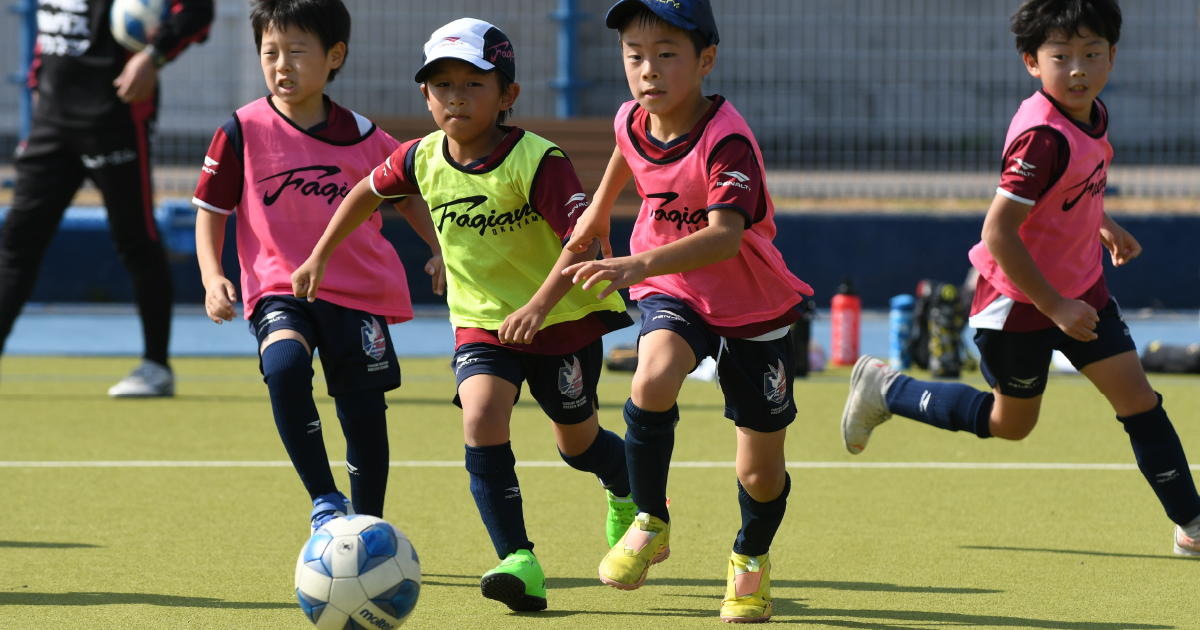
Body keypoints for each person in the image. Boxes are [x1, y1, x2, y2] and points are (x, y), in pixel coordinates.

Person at [292, 18, 637, 613]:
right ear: (425, 95)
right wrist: (320, 254)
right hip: (482, 322)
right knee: (480, 416)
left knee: (578, 445)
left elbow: (579, 241)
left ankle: (624, 486)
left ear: (507, 96)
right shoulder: (419, 157)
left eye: (473, 84)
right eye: (441, 84)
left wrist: (538, 305)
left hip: (562, 317)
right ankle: (518, 560)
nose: (455, 96)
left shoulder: (537, 160)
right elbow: (364, 193)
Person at [840, 0, 1200, 558]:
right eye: (1061, 56)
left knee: (1139, 400)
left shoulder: (1091, 114)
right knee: (1012, 425)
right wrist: (1055, 306)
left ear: (1112, 55)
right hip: (1019, 303)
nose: (1077, 68)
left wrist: (1100, 221)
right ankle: (890, 390)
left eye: (1091, 53)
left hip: (1082, 290)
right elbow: (1000, 232)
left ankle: (1192, 525)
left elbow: (1066, 189)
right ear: (1032, 61)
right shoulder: (1041, 137)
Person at [561, 0, 814, 621]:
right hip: (676, 288)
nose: (648, 70)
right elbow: (629, 146)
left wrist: (634, 266)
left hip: (750, 300)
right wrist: (600, 209)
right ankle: (651, 520)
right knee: (651, 377)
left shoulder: (728, 141)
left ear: (706, 60)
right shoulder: (634, 116)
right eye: (635, 56)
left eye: (666, 55)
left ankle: (750, 557)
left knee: (759, 472)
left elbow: (727, 237)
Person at [192, 0, 434, 532]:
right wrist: (213, 277)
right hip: (280, 289)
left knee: (363, 414)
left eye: (297, 51)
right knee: (283, 368)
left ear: (334, 56)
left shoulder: (366, 136)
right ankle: (325, 497)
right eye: (270, 52)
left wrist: (438, 249)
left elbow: (409, 196)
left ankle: (368, 523)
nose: (281, 65)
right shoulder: (241, 130)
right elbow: (211, 212)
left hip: (358, 294)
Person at [0, 0, 213, 396]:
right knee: (17, 242)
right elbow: (49, 38)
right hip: (51, 122)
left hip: (115, 122)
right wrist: (38, 85)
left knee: (136, 240)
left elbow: (198, 11)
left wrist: (154, 55)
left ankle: (156, 366)